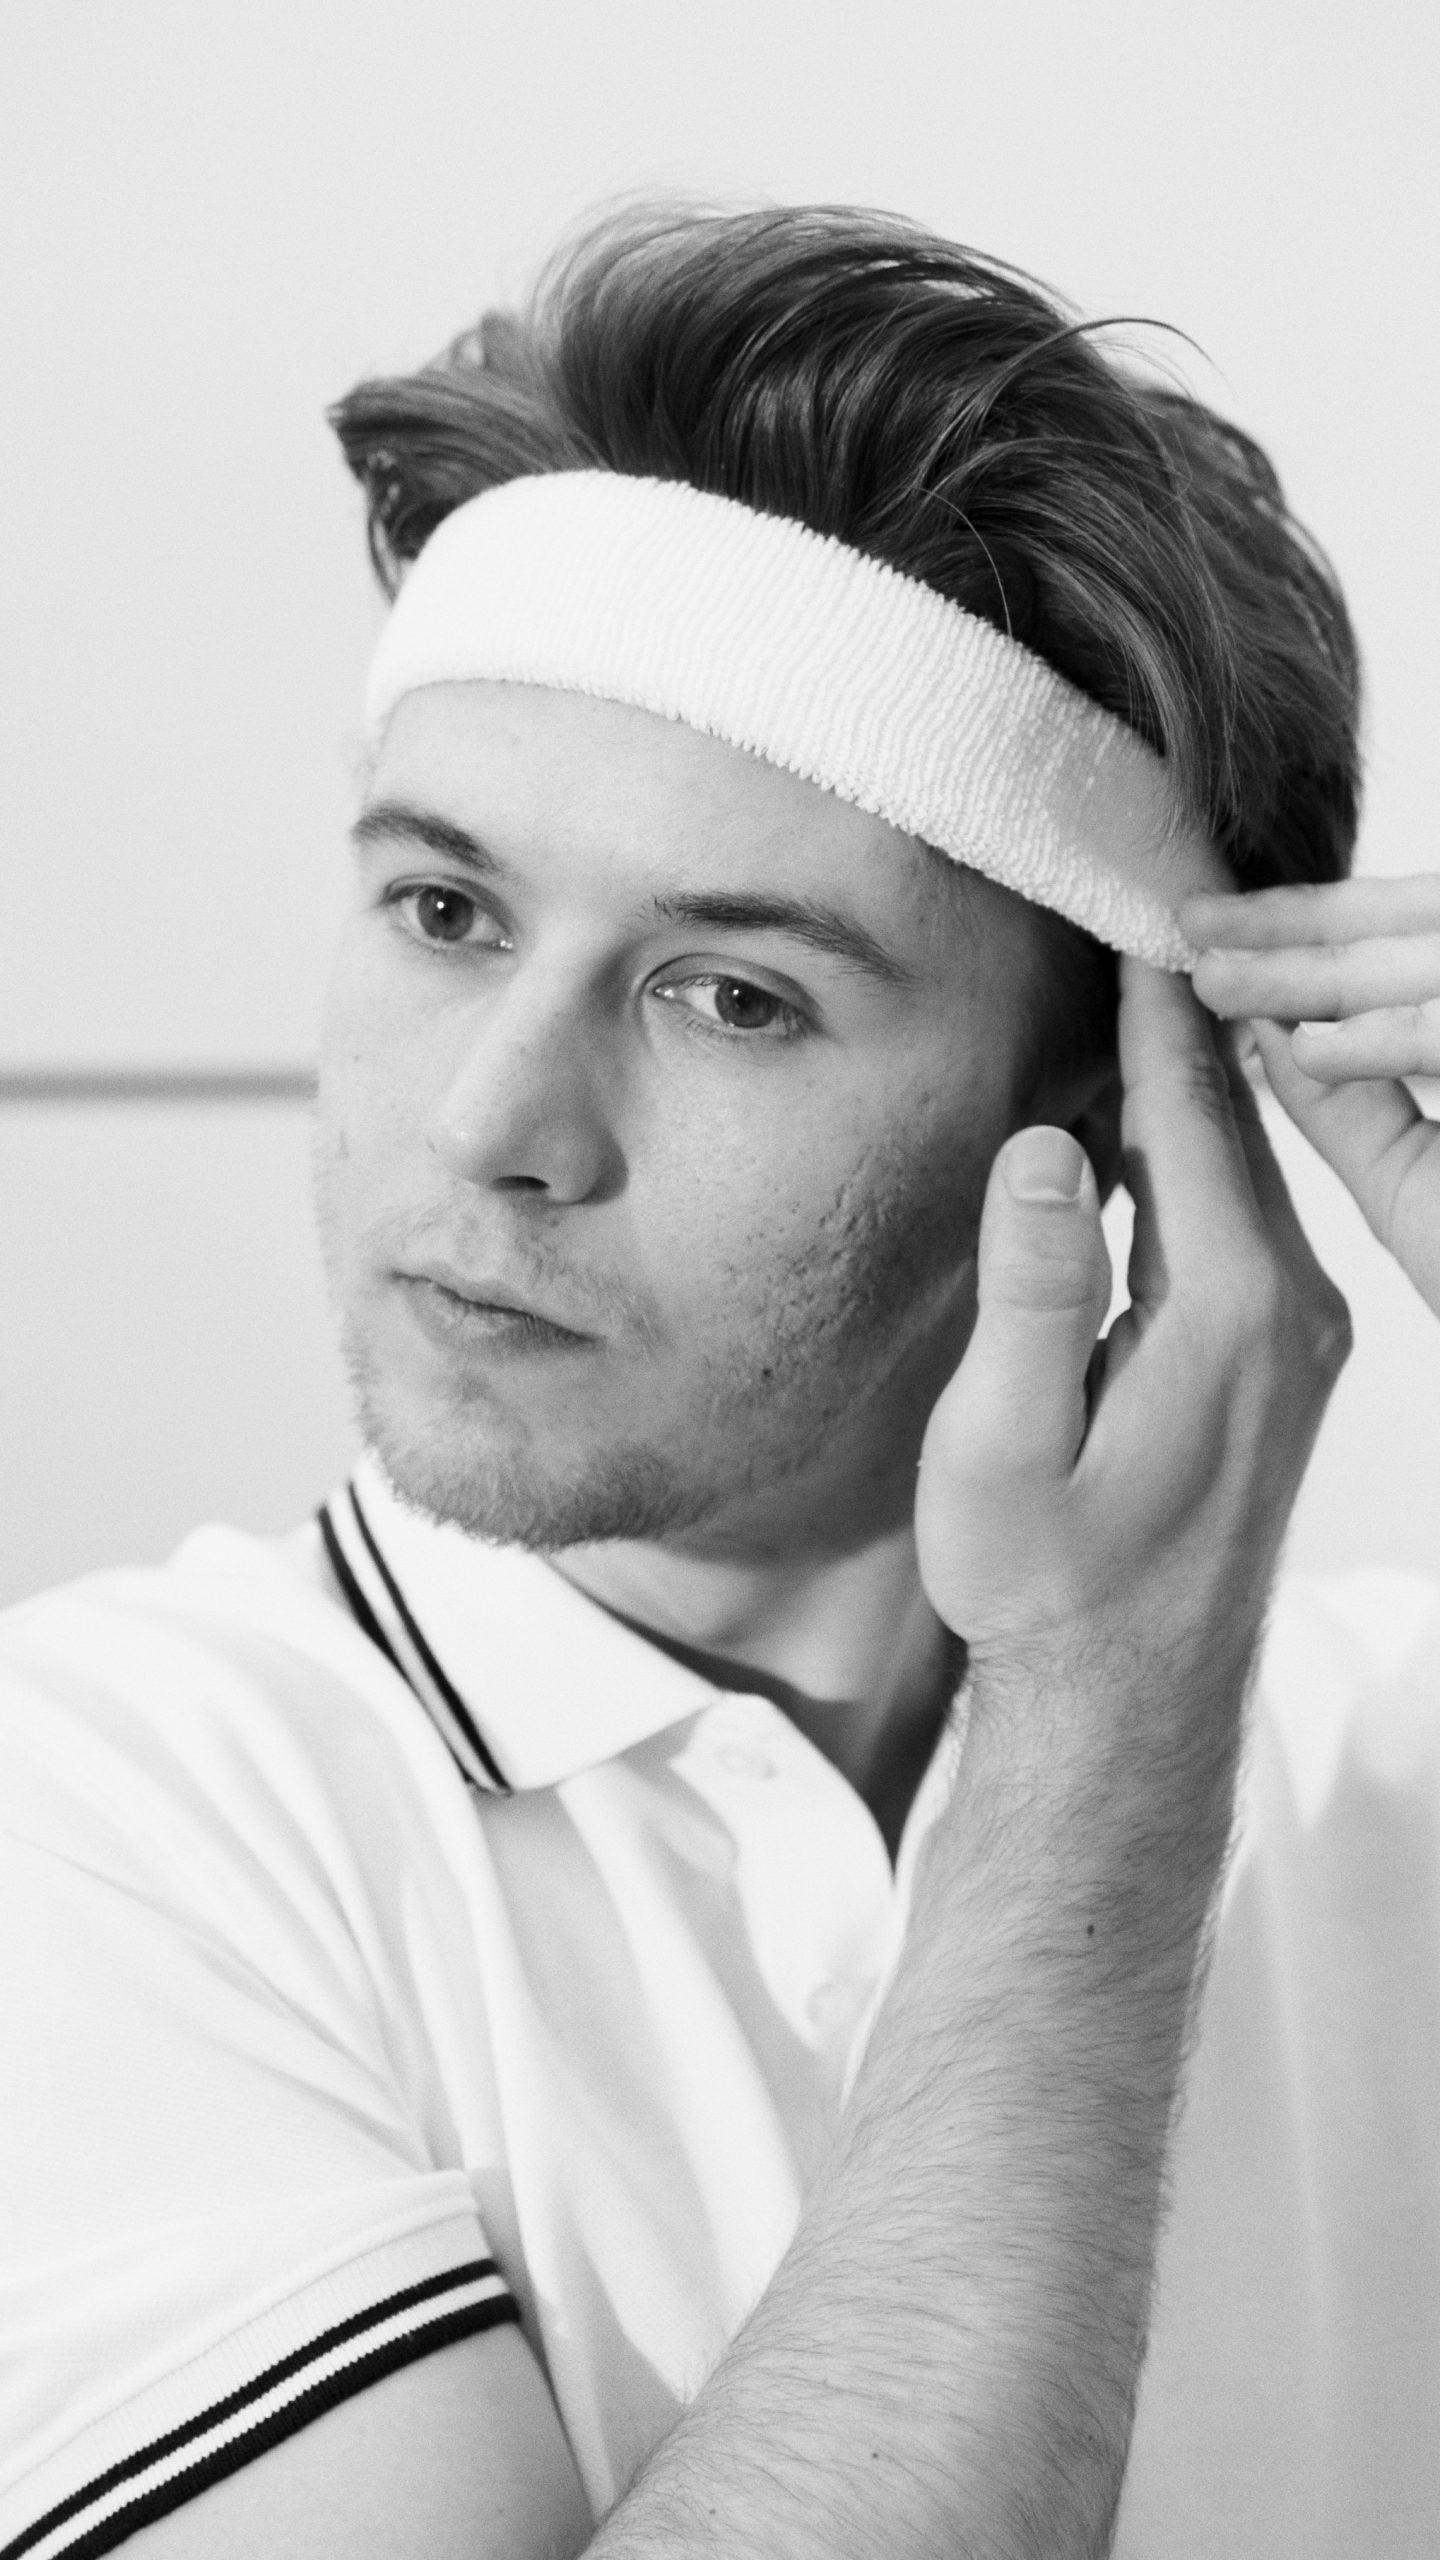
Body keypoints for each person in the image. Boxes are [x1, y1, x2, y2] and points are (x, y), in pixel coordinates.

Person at [3, 203, 1439, 2560]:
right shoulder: (103, 1821)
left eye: (731, 993)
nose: (493, 1124)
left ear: (1096, 1137)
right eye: (444, 909)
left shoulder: (1382, 1772)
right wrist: (1099, 1730)